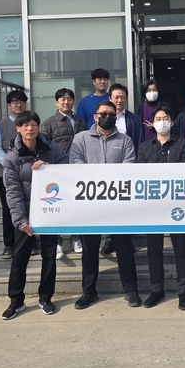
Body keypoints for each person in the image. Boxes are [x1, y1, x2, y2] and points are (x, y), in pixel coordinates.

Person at [69, 100, 140, 309]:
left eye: (111, 114)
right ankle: (89, 292)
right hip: (90, 204)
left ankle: (131, 290)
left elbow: (129, 164)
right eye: (103, 114)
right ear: (95, 116)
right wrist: (99, 176)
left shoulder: (125, 140)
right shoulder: (81, 138)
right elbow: (75, 162)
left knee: (124, 249)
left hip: (118, 204)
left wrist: (108, 177)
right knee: (90, 250)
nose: (107, 117)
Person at [1, 111, 70, 320]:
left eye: (33, 124)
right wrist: (20, 220)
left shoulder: (52, 149)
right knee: (19, 258)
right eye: (25, 125)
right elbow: (12, 192)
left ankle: (45, 298)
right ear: (18, 129)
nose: (29, 128)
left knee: (49, 256)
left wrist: (49, 168)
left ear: (38, 127)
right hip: (25, 214)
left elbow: (67, 170)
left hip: (49, 210)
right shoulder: (12, 158)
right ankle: (16, 301)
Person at [136, 104, 185, 311]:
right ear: (152, 123)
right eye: (158, 119)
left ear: (172, 121)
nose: (162, 122)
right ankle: (157, 289)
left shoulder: (182, 144)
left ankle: (183, 292)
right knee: (154, 250)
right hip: (153, 207)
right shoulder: (144, 147)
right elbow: (141, 175)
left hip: (178, 206)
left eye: (165, 118)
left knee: (181, 250)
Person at [40, 87, 87, 259]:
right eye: (62, 99)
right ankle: (57, 242)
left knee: (76, 206)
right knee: (57, 208)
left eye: (69, 99)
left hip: (77, 171)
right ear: (56, 102)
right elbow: (42, 146)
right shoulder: (49, 123)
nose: (66, 102)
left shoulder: (80, 121)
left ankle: (76, 238)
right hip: (57, 172)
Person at [98, 83, 144, 255]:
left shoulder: (133, 119)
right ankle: (109, 240)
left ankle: (127, 240)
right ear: (110, 98)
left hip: (127, 169)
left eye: (122, 97)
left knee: (126, 206)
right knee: (108, 206)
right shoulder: (101, 117)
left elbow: (139, 143)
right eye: (116, 97)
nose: (119, 100)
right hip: (105, 171)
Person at [0, 89, 35, 260]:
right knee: (9, 209)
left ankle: (30, 242)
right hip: (7, 175)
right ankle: (9, 245)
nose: (19, 105)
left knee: (29, 208)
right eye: (15, 102)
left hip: (29, 175)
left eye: (22, 101)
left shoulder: (31, 123)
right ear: (9, 105)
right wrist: (11, 165)